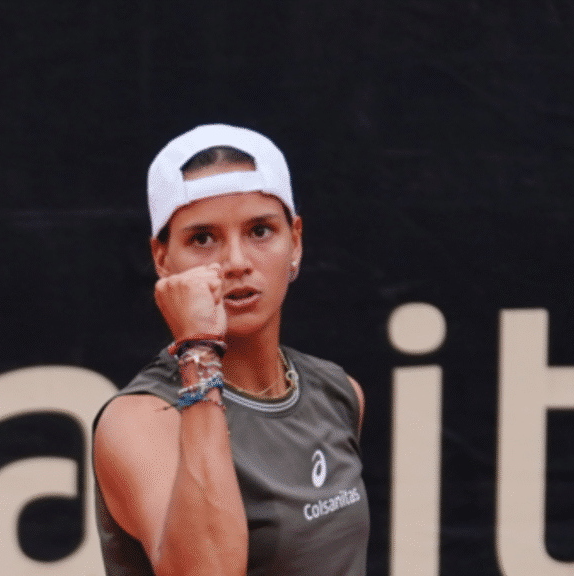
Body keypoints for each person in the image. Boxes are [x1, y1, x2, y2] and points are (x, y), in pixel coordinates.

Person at [92, 124, 369, 576]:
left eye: (260, 230)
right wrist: (199, 352)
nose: (237, 262)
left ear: (295, 242)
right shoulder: (138, 421)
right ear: (162, 259)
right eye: (203, 238)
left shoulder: (339, 393)